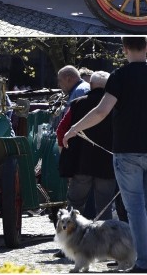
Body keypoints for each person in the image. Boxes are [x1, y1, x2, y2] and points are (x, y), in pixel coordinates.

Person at [63, 37, 147, 274]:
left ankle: (145, 263)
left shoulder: (119, 76)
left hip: (127, 152)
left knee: (135, 209)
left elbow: (102, 111)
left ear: (124, 50)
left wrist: (75, 129)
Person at [56, 71, 118, 220]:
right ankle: (105, 241)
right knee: (104, 208)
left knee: (74, 206)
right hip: (107, 165)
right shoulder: (116, 105)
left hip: (81, 164)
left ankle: (70, 239)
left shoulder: (77, 103)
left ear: (90, 85)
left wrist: (63, 151)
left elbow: (61, 130)